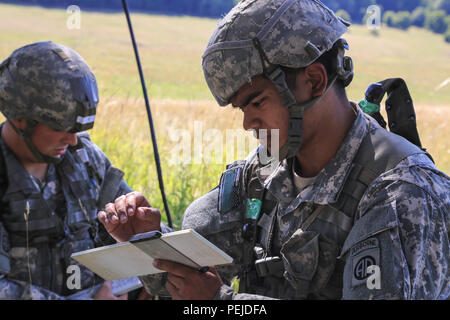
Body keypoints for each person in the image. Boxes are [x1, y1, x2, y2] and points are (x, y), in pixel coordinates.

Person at [100, 0, 449, 300]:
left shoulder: (400, 193)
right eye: (241, 109)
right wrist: (146, 241)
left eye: (257, 102)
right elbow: (190, 283)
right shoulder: (262, 173)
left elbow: (207, 297)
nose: (247, 123)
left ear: (313, 81)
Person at [0, 41, 140, 299]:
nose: (73, 140)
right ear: (19, 117)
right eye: (62, 128)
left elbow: (130, 236)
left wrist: (143, 232)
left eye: (78, 130)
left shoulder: (83, 157)